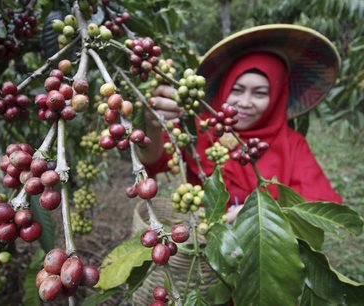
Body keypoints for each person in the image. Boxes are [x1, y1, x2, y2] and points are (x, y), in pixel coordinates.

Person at [137, 24, 342, 221]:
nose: (244, 103)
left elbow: (320, 208)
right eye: (237, 90)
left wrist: (263, 214)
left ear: (277, 98)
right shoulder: (201, 129)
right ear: (225, 88)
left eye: (260, 93)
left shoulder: (292, 144)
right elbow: (152, 161)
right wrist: (153, 126)